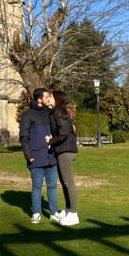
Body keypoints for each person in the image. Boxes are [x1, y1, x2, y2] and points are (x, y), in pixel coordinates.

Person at [19, 88, 59, 223]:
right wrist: (28, 155)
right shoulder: (27, 115)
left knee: (52, 186)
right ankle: (36, 212)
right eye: (46, 96)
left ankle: (54, 212)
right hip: (35, 157)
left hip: (52, 156)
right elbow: (23, 137)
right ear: (39, 99)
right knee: (37, 186)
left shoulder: (51, 113)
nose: (49, 98)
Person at [46, 90, 80, 226]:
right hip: (62, 150)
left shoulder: (59, 113)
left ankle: (73, 214)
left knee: (68, 182)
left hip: (66, 150)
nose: (49, 99)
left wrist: (51, 141)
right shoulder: (58, 112)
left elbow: (64, 133)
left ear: (57, 99)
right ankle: (68, 209)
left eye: (51, 97)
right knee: (64, 182)